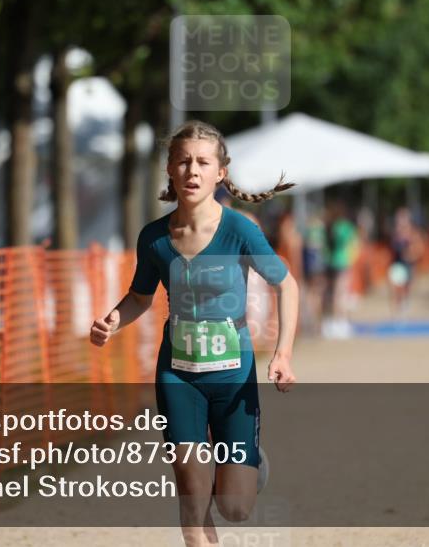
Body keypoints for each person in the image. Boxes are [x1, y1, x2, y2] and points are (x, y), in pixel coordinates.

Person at [90, 120, 299, 547]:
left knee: (235, 507)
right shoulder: (154, 238)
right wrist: (112, 320)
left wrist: (283, 354)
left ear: (221, 172)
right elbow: (139, 297)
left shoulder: (240, 230)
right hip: (178, 376)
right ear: (169, 168)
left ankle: (249, 463)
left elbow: (287, 284)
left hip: (233, 376)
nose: (192, 170)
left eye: (203, 162)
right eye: (183, 161)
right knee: (192, 494)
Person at [322, 200, 358, 328]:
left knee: (332, 291)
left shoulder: (331, 225)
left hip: (331, 261)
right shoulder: (346, 227)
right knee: (341, 291)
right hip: (343, 261)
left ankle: (332, 317)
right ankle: (340, 319)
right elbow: (354, 243)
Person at [388, 208, 425, 315]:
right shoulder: (395, 233)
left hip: (408, 263)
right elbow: (391, 249)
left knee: (406, 287)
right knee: (395, 288)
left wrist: (411, 255)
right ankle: (396, 310)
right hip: (397, 263)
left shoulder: (413, 233)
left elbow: (420, 248)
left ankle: (405, 302)